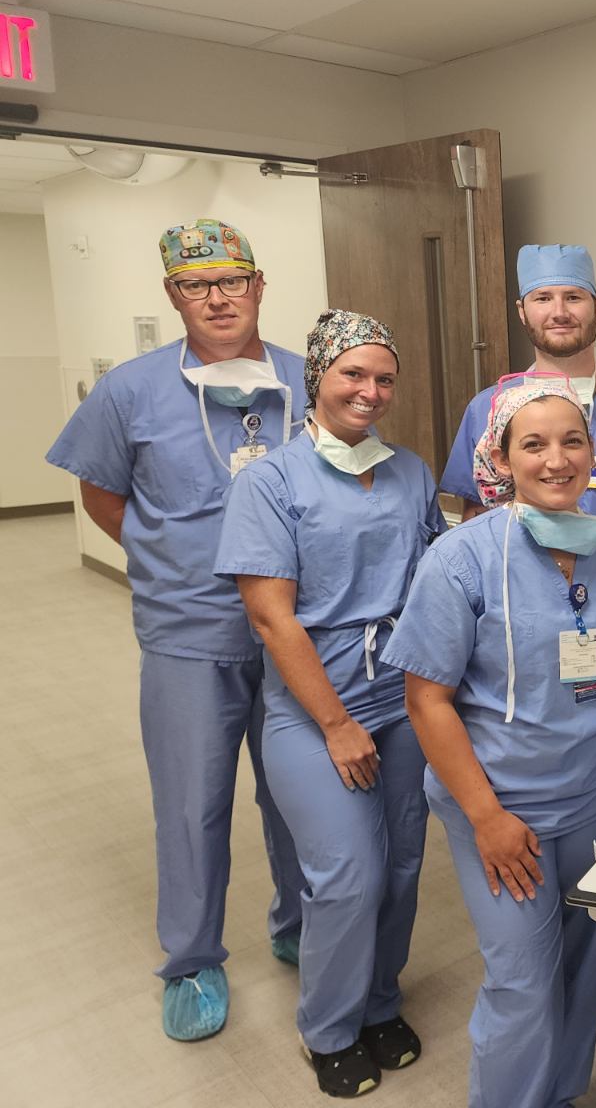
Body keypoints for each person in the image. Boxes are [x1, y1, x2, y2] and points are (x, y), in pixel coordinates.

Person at [45, 218, 306, 1041]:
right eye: (197, 284)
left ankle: (299, 922)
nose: (217, 297)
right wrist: (169, 560)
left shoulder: (310, 381)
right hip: (188, 631)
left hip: (299, 631)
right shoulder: (131, 390)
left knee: (299, 794)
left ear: (261, 286)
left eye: (233, 279)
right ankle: (192, 959)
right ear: (172, 295)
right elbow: (102, 494)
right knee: (192, 803)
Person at [382, 379, 596, 1108]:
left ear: (592, 455)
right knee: (523, 982)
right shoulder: (462, 561)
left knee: (582, 969)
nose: (557, 459)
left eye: (572, 441)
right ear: (500, 458)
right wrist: (488, 818)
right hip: (505, 810)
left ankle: (559, 1097)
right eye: (533, 444)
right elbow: (426, 699)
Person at [215, 310, 443, 1097]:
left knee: (405, 863)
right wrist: (339, 724)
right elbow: (271, 617)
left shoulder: (411, 471)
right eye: (353, 374)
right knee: (348, 872)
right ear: (318, 378)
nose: (370, 391)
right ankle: (330, 1027)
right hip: (315, 710)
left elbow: (433, 585)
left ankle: (381, 1000)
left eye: (383, 377)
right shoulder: (269, 481)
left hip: (403, 694)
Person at [440, 244, 596, 522]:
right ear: (522, 311)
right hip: (519, 562)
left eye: (574, 297)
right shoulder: (486, 409)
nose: (560, 312)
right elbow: (477, 519)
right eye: (542, 298)